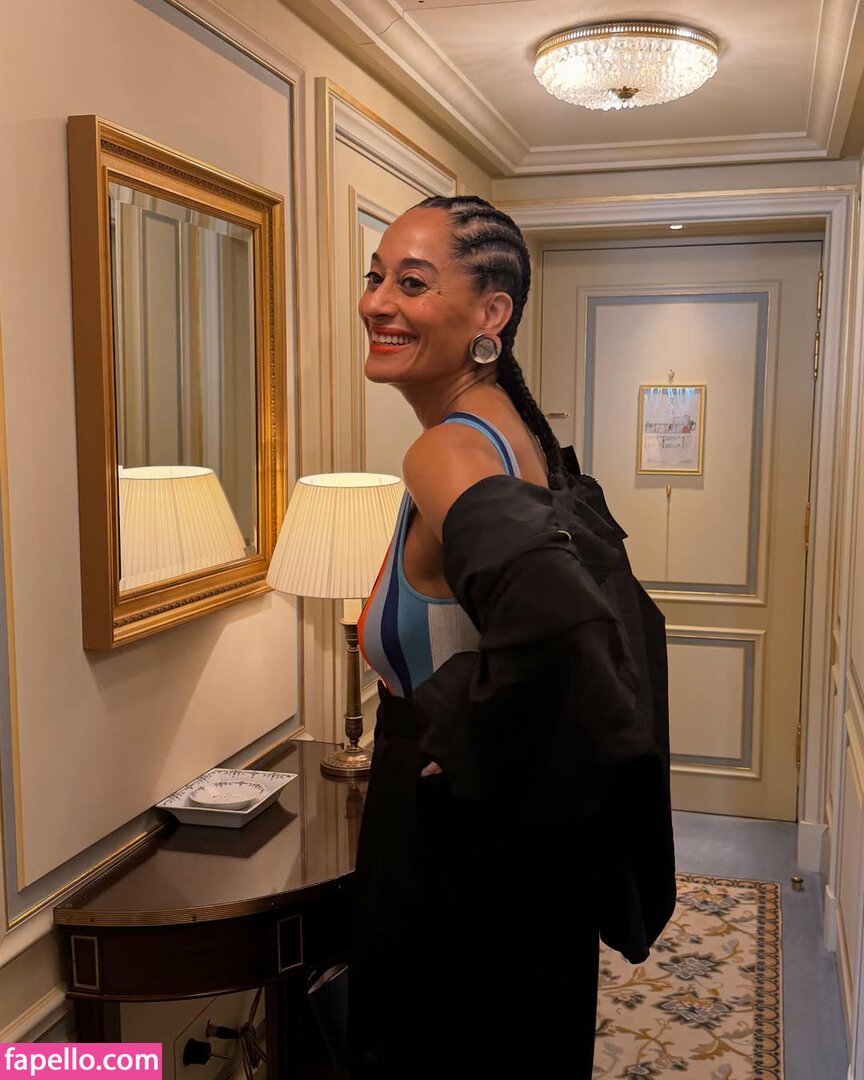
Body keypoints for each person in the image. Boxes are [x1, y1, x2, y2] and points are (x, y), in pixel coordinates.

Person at [349, 195, 675, 1079]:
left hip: (456, 856)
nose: (378, 303)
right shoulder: (513, 428)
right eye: (375, 278)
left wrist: (449, 723)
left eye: (412, 283)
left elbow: (564, 630)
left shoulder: (446, 451)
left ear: (491, 313)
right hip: (526, 842)